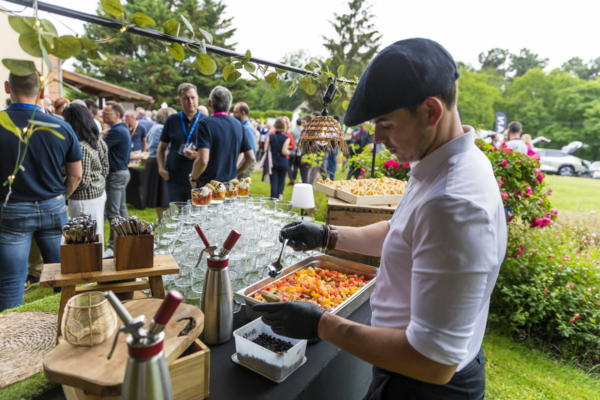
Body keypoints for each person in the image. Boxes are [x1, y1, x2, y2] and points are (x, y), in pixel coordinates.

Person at [253, 38, 507, 400]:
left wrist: (321, 323)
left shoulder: (454, 202)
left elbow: (433, 361)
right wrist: (328, 235)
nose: (377, 137)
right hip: (405, 368)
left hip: (423, 385)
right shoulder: (439, 163)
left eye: (386, 124)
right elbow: (398, 231)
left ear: (431, 112)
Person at [0, 72, 82, 311]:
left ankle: (11, 342)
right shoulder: (61, 126)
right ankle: (67, 328)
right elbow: (76, 175)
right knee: (64, 279)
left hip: (12, 209)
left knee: (10, 283)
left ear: (8, 88)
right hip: (53, 206)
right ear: (43, 92)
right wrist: (60, 199)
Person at [63, 103, 109, 253]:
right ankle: (96, 266)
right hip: (98, 194)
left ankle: (90, 270)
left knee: (85, 240)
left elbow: (80, 180)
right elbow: (106, 169)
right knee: (96, 235)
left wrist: (64, 195)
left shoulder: (81, 146)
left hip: (83, 199)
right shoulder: (98, 141)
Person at [190, 86, 255, 186]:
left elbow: (203, 160)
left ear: (209, 103)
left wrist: (193, 178)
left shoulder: (204, 124)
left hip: (208, 187)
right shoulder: (238, 125)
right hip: (230, 186)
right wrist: (235, 173)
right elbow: (250, 158)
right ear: (229, 107)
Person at [157, 83, 206, 202]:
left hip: (198, 180)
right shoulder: (172, 120)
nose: (190, 101)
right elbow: (162, 147)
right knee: (177, 217)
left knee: (197, 217)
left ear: (197, 99)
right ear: (179, 100)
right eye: (186, 98)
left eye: (193, 97)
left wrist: (197, 156)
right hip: (174, 180)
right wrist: (161, 169)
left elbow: (213, 152)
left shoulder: (206, 121)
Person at [101, 101, 131, 254]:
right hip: (122, 173)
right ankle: (125, 240)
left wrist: (102, 134)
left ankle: (113, 246)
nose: (103, 116)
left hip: (116, 175)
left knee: (113, 212)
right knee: (121, 209)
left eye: (106, 113)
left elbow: (99, 146)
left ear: (117, 115)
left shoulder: (117, 131)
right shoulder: (120, 129)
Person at [146, 107, 176, 223]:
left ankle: (161, 220)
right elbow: (164, 147)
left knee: (160, 196)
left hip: (154, 161)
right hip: (160, 162)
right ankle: (163, 221)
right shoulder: (160, 129)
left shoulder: (155, 127)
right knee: (163, 195)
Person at [263, 117, 291, 199]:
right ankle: (280, 195)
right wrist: (289, 152)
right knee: (281, 180)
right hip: (283, 161)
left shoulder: (270, 136)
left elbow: (265, 149)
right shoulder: (286, 138)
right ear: (284, 126)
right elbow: (284, 151)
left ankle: (273, 198)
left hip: (273, 161)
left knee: (274, 181)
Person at [233, 102, 258, 180]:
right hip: (243, 161)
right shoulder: (243, 126)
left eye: (235, 112)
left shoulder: (247, 128)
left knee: (242, 189)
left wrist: (237, 170)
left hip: (246, 163)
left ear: (243, 113)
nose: (233, 114)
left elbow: (250, 152)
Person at [288, 118, 303, 185]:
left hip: (292, 150)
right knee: (296, 165)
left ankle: (291, 178)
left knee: (289, 165)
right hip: (299, 150)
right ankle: (293, 178)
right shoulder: (303, 130)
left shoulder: (292, 130)